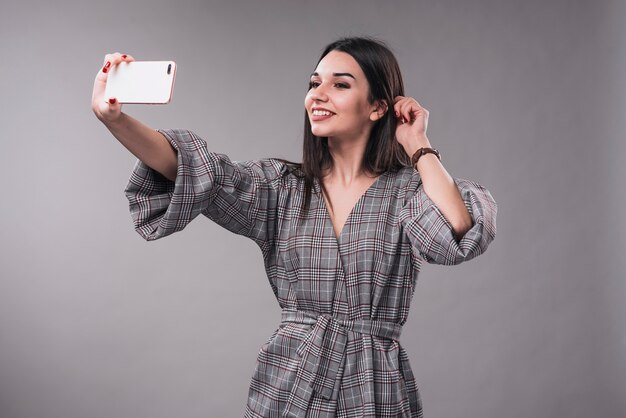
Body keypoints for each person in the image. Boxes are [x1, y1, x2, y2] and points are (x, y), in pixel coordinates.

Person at [92, 37, 497, 418]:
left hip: (373, 384)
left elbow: (457, 232)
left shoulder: (408, 191)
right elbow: (197, 170)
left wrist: (418, 144)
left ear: (377, 106)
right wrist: (115, 119)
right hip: (289, 381)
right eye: (314, 83)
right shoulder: (282, 188)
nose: (317, 95)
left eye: (340, 84)